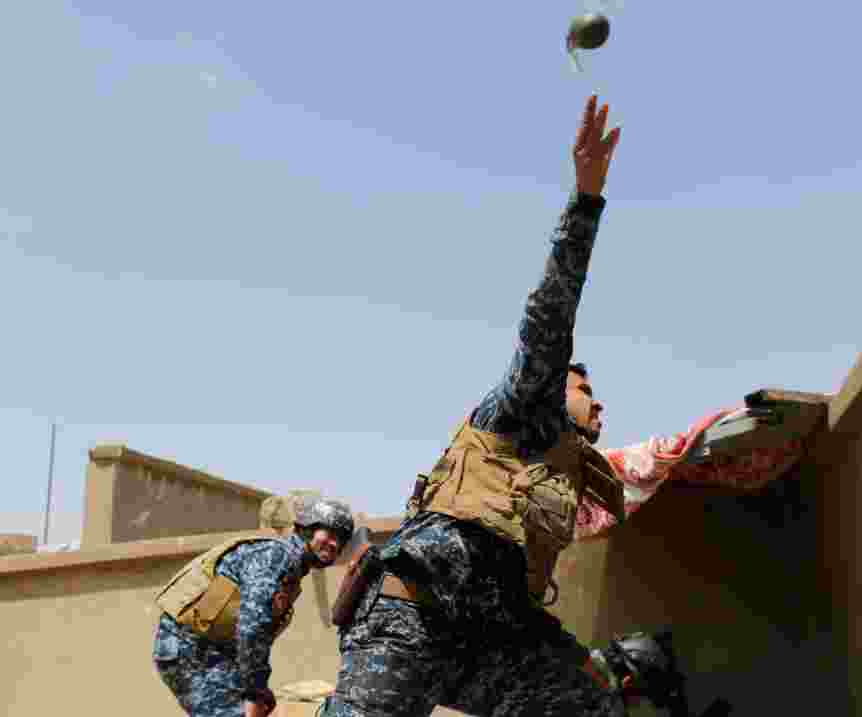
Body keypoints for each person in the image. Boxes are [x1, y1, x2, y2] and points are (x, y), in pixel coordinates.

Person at [325, 94, 654, 717]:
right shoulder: (524, 407)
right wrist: (586, 200)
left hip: (489, 636)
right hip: (410, 616)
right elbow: (549, 314)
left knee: (588, 702)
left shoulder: (576, 466)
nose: (598, 401)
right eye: (585, 389)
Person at [152, 495, 354, 717]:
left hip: (214, 655)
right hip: (191, 650)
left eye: (342, 539)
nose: (335, 543)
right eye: (330, 533)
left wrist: (259, 690)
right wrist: (255, 692)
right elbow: (252, 626)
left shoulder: (291, 572)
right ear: (307, 528)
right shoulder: (276, 555)